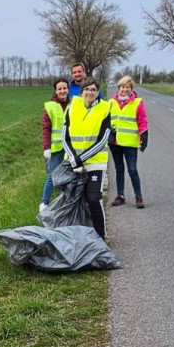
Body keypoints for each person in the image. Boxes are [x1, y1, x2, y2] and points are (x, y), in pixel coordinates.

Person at [61, 77, 112, 239]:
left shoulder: (105, 108)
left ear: (97, 92)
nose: (90, 92)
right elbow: (64, 136)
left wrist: (80, 159)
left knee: (94, 199)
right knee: (77, 200)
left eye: (93, 90)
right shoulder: (72, 107)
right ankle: (81, 236)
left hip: (95, 163)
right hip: (73, 163)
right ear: (82, 92)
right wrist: (73, 158)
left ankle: (101, 237)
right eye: (87, 89)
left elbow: (103, 140)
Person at [109, 75, 149, 209]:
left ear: (131, 89)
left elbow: (142, 120)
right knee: (119, 169)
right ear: (118, 88)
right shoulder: (111, 102)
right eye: (122, 87)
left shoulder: (137, 102)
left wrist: (144, 135)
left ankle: (138, 196)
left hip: (130, 143)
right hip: (115, 142)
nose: (124, 89)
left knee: (132, 170)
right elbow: (106, 119)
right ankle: (120, 195)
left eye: (127, 87)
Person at [40, 78, 70, 212]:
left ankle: (67, 202)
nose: (62, 91)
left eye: (65, 88)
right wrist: (47, 147)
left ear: (68, 89)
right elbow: (46, 128)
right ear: (56, 91)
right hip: (57, 148)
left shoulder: (74, 104)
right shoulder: (50, 106)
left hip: (71, 148)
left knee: (70, 175)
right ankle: (44, 203)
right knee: (51, 176)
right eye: (60, 89)